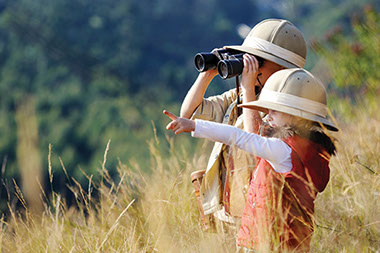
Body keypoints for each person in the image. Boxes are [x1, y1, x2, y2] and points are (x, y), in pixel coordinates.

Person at [164, 68, 338, 251]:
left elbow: (238, 137)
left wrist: (193, 125)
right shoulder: (311, 152)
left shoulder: (282, 150)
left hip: (263, 243)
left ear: (298, 118)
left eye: (275, 111)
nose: (268, 115)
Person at [181, 18, 307, 229]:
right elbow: (189, 113)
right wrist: (208, 73)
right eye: (249, 58)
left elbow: (257, 143)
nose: (252, 67)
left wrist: (248, 90)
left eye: (259, 61)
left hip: (259, 215)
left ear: (283, 69)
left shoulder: (288, 111)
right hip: (227, 210)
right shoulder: (239, 97)